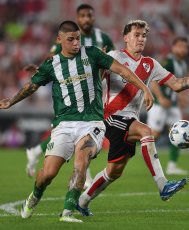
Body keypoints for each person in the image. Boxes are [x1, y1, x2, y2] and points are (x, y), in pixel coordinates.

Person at [0, 20, 154, 223]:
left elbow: (122, 71)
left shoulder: (93, 54)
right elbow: (32, 85)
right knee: (48, 174)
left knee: (82, 161)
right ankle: (35, 195)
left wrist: (145, 88)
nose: (75, 43)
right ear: (59, 40)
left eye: (78, 38)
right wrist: (11, 101)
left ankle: (67, 212)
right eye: (70, 39)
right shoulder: (52, 64)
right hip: (63, 124)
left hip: (92, 123)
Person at [75, 20, 189, 217]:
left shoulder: (150, 64)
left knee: (114, 172)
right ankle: (163, 185)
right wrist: (99, 66)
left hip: (129, 119)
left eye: (143, 36)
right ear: (126, 38)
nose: (141, 39)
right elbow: (95, 83)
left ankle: (82, 202)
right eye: (136, 35)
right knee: (146, 131)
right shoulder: (113, 56)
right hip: (111, 116)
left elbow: (177, 84)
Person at [26, 4, 114, 187]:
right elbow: (53, 61)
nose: (86, 19)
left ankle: (38, 152)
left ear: (94, 17)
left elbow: (111, 61)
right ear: (77, 18)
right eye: (82, 16)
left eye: (89, 15)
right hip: (71, 88)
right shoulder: (67, 37)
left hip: (96, 87)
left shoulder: (102, 38)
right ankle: (83, 175)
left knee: (86, 128)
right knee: (75, 125)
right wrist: (39, 71)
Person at [147, 37, 189, 175]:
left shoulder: (182, 64)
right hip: (160, 105)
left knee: (179, 134)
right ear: (173, 47)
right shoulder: (168, 62)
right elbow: (153, 79)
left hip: (172, 105)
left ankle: (172, 166)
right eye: (180, 46)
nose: (183, 49)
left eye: (185, 47)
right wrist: (160, 97)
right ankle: (127, 148)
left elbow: (175, 85)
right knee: (154, 136)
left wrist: (181, 97)